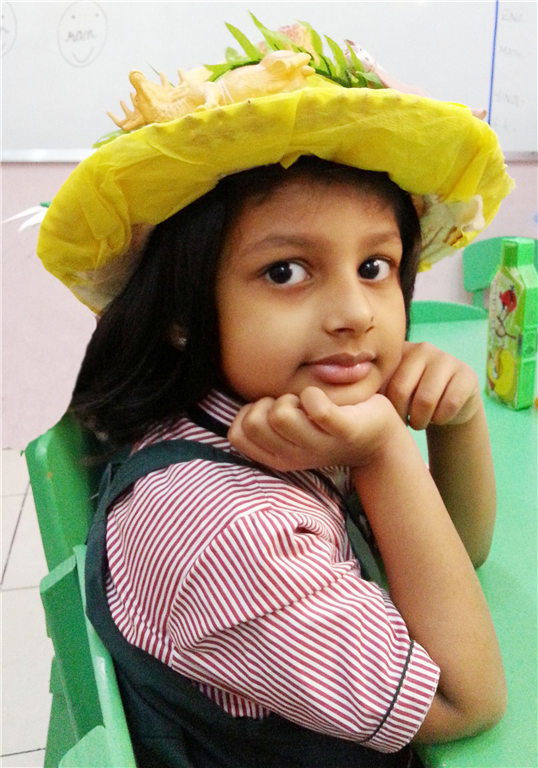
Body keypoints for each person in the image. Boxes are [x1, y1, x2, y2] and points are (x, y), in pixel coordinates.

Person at [36, 18, 513, 768]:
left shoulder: (264, 407)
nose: (354, 314)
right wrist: (389, 449)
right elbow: (467, 698)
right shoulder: (231, 533)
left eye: (375, 267)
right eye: (286, 271)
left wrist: (456, 421)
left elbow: (457, 556)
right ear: (182, 312)